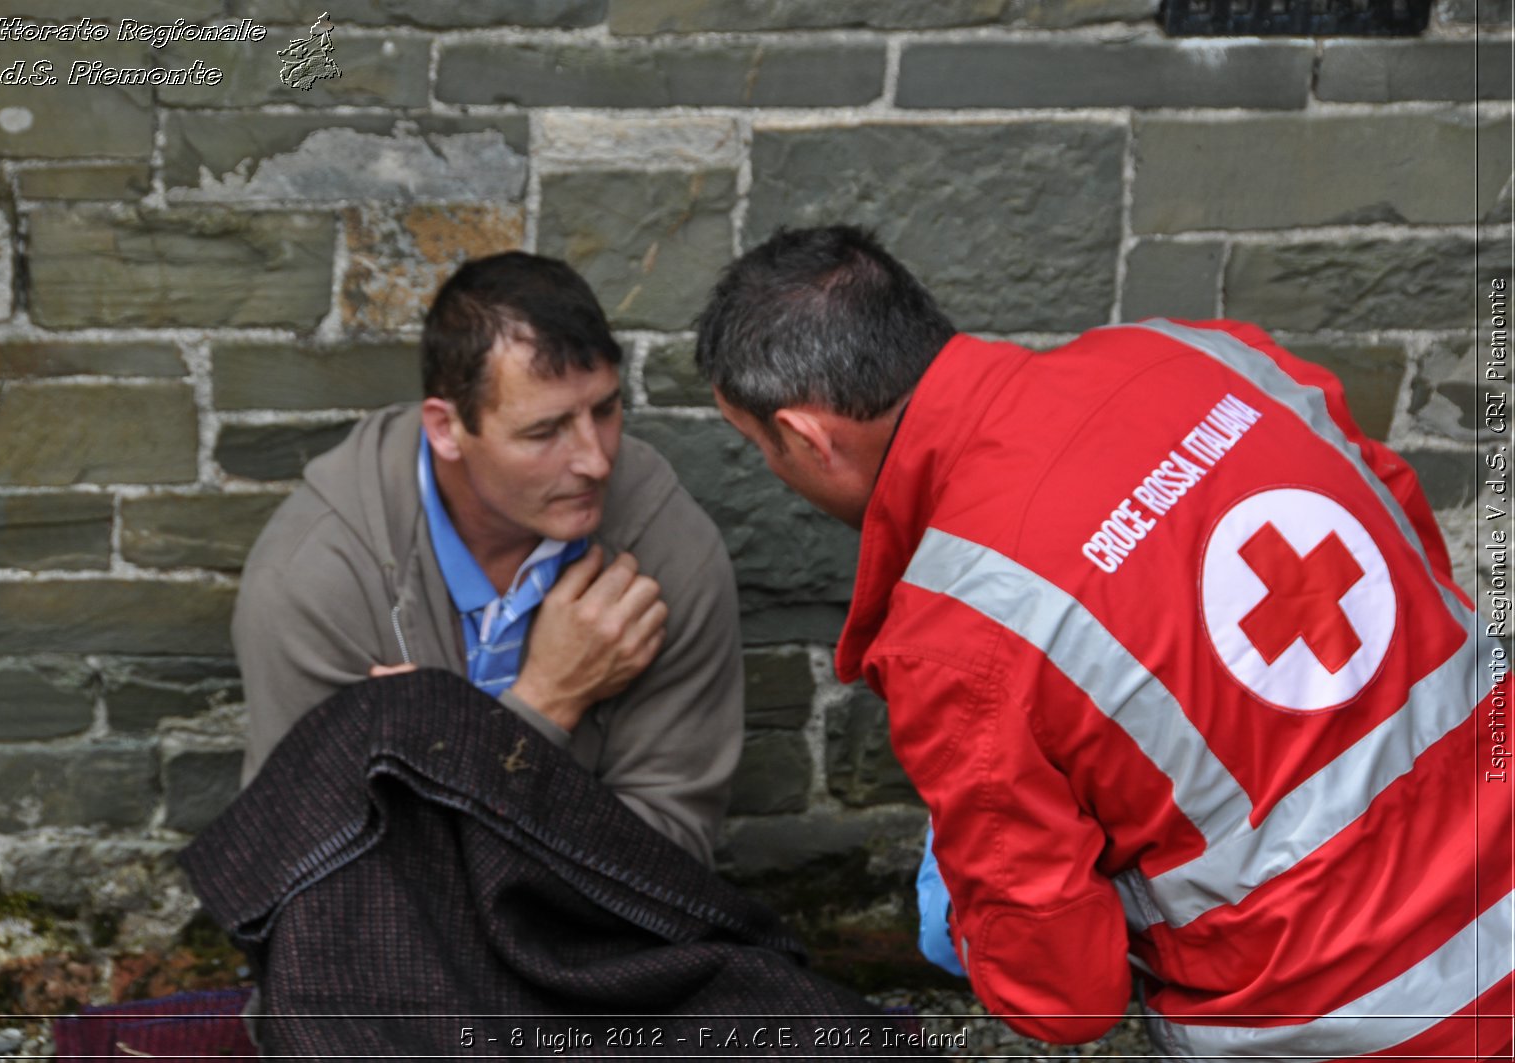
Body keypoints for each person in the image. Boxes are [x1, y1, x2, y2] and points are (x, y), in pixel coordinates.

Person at [694, 225, 1512, 1058]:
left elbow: (1065, 998)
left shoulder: (954, 631)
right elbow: (1408, 547)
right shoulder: (1205, 354)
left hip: (1355, 1017)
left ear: (808, 436)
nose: (773, 468)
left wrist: (968, 922)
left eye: (761, 449)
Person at [234, 251, 743, 865]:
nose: (596, 460)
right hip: (384, 951)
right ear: (446, 429)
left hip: (594, 950)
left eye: (605, 410)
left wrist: (429, 765)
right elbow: (308, 868)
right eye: (544, 431)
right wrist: (547, 702)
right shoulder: (315, 578)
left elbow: (672, 851)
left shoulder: (668, 548)